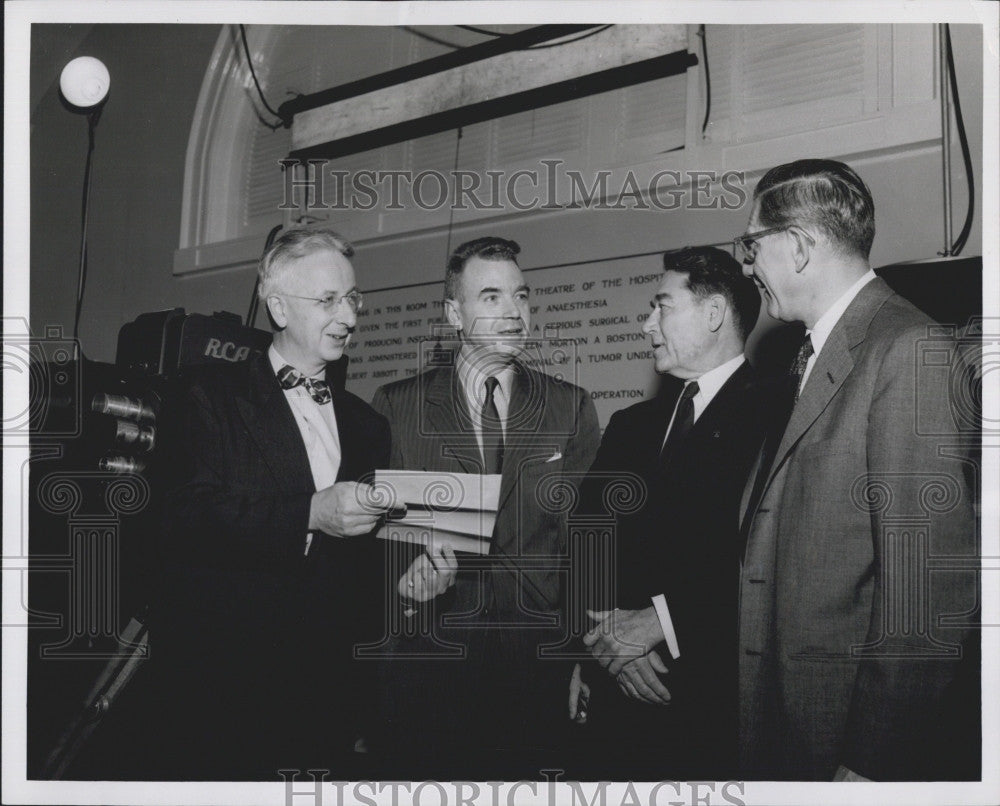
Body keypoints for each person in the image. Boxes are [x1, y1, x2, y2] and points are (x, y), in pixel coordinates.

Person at [737, 159, 979, 780]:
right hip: (784, 721)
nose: (746, 264)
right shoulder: (813, 355)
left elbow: (923, 590)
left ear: (795, 247)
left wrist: (874, 758)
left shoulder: (906, 348)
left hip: (841, 743)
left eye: (751, 244)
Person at [154, 228, 393, 779]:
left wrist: (405, 578)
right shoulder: (203, 393)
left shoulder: (367, 424)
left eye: (353, 298)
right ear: (278, 305)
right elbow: (180, 517)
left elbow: (359, 562)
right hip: (224, 692)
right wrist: (309, 513)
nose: (349, 316)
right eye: (328, 300)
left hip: (328, 696)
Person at [370, 236, 600, 778]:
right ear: (455, 313)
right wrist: (404, 590)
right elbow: (373, 549)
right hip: (430, 671)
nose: (514, 312)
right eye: (491, 297)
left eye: (521, 296)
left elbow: (582, 550)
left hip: (536, 676)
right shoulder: (398, 407)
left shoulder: (570, 407)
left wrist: (575, 660)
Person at [570, 246, 766, 779]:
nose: (645, 323)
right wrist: (599, 651)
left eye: (662, 306)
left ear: (713, 313)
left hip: (704, 704)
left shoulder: (776, 421)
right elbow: (587, 538)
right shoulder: (632, 424)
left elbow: (769, 564)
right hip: (612, 688)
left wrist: (661, 623)